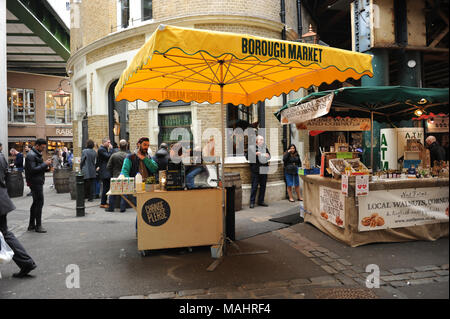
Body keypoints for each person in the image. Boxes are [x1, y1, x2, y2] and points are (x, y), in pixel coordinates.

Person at [0, 142, 37, 278]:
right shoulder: (1, 157)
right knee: (5, 233)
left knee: (5, 233)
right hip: (2, 199)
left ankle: (26, 262)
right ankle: (26, 262)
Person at [24, 138, 52, 233]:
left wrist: (45, 165)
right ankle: (38, 226)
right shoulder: (31, 155)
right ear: (37, 146)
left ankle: (31, 224)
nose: (43, 149)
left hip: (36, 181)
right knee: (39, 203)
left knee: (36, 203)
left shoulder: (35, 154)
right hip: (35, 182)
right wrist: (45, 164)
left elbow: (37, 168)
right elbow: (33, 170)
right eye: (42, 147)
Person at [245, 135, 271, 208]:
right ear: (257, 141)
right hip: (255, 170)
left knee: (263, 186)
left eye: (263, 140)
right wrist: (255, 154)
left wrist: (267, 155)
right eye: (261, 140)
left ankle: (261, 201)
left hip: (264, 169)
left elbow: (269, 156)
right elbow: (247, 157)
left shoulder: (265, 148)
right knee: (254, 186)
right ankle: (252, 202)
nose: (262, 141)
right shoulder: (251, 148)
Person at [106, 140, 128, 212]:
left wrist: (113, 171)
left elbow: (108, 167)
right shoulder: (128, 156)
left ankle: (111, 208)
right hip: (125, 176)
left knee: (113, 192)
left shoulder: (114, 155)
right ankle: (122, 208)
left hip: (115, 175)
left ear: (119, 147)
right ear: (126, 147)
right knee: (124, 192)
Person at [97, 138, 113, 209]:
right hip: (104, 172)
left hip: (105, 171)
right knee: (105, 188)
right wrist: (111, 149)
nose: (109, 144)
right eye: (108, 142)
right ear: (104, 142)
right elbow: (108, 157)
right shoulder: (101, 149)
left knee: (106, 187)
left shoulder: (104, 149)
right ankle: (103, 203)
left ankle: (104, 202)